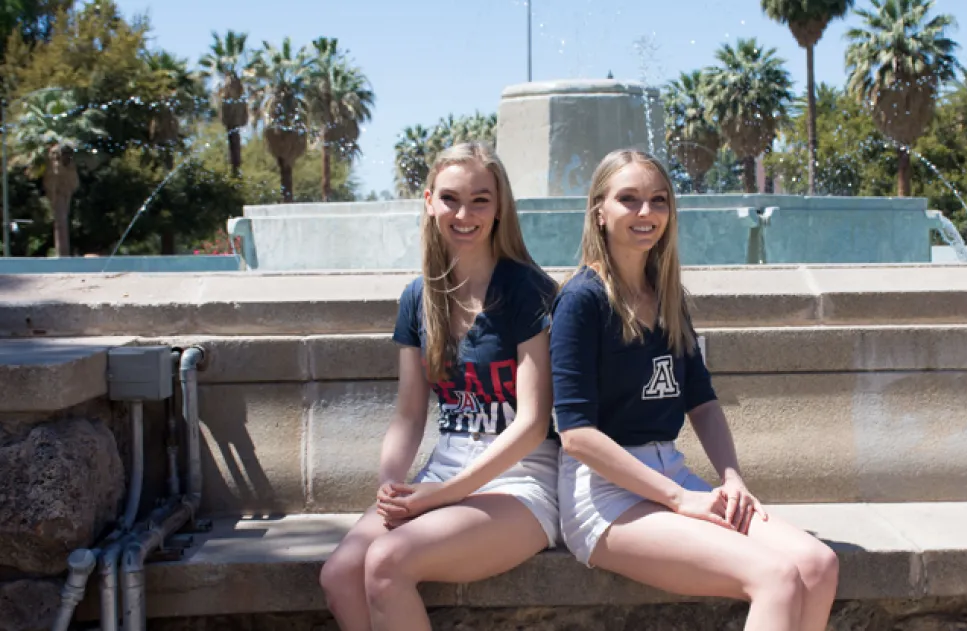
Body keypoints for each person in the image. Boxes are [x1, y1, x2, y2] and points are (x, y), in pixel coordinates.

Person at [550, 149, 838, 631]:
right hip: (603, 496)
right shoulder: (581, 299)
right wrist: (679, 499)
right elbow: (576, 435)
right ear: (599, 211)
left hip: (671, 476)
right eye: (630, 199)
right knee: (775, 577)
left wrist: (732, 478)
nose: (647, 213)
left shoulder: (667, 296)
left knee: (818, 565)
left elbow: (701, 403)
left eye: (658, 200)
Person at [319, 142, 560, 631]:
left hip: (521, 479)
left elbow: (534, 425)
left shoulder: (525, 290)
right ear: (429, 201)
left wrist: (444, 494)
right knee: (340, 573)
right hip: (444, 471)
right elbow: (409, 414)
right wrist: (392, 482)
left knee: (387, 563)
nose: (464, 213)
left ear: (500, 208)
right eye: (450, 198)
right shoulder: (419, 296)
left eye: (480, 200)